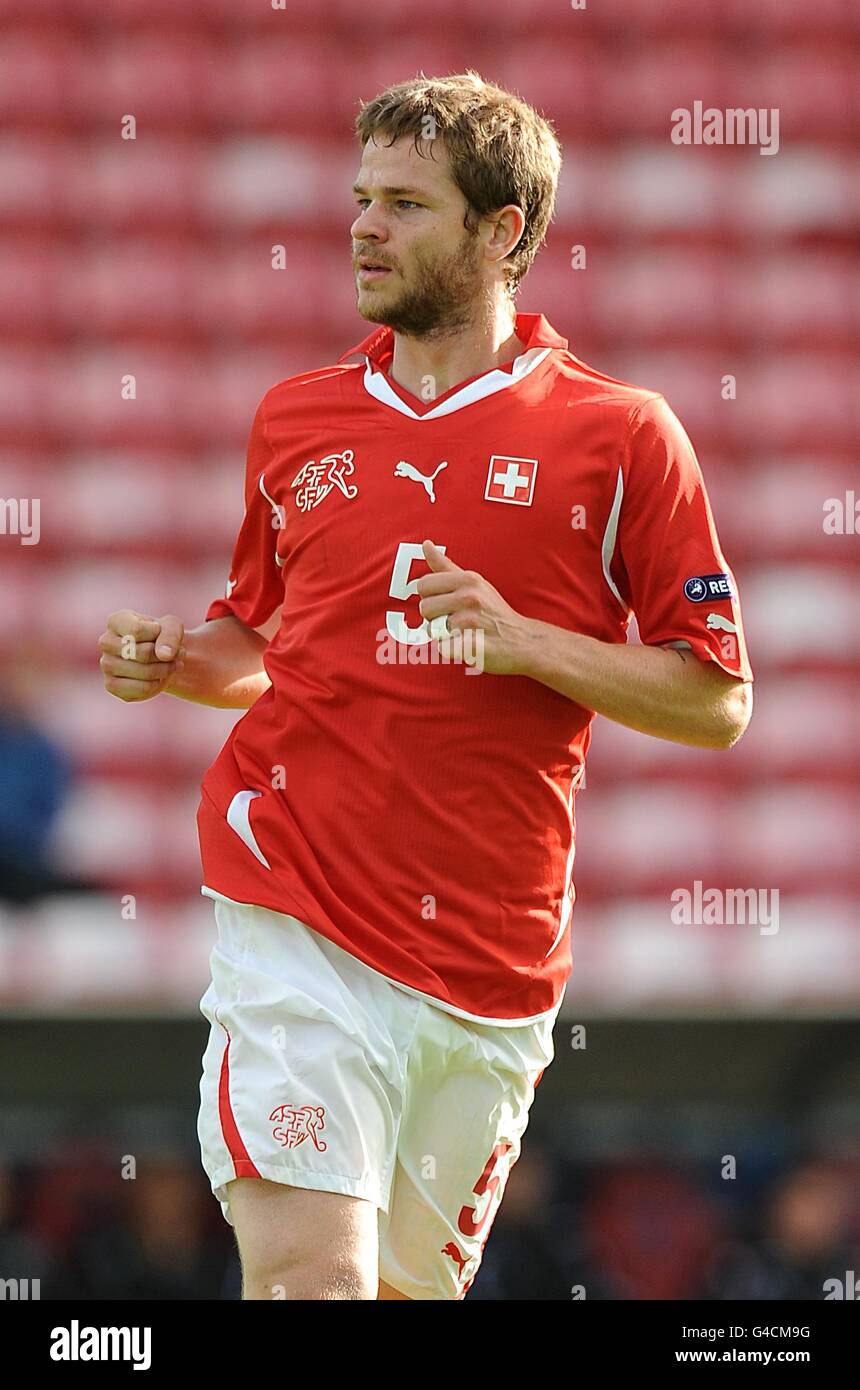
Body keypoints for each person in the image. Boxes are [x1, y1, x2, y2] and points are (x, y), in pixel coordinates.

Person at [97, 71, 753, 1301]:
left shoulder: (623, 434)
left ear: (501, 231)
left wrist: (531, 645)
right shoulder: (295, 419)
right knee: (311, 1280)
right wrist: (177, 659)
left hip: (491, 964)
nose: (361, 227)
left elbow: (715, 700)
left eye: (403, 203)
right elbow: (261, 639)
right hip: (297, 915)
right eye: (359, 198)